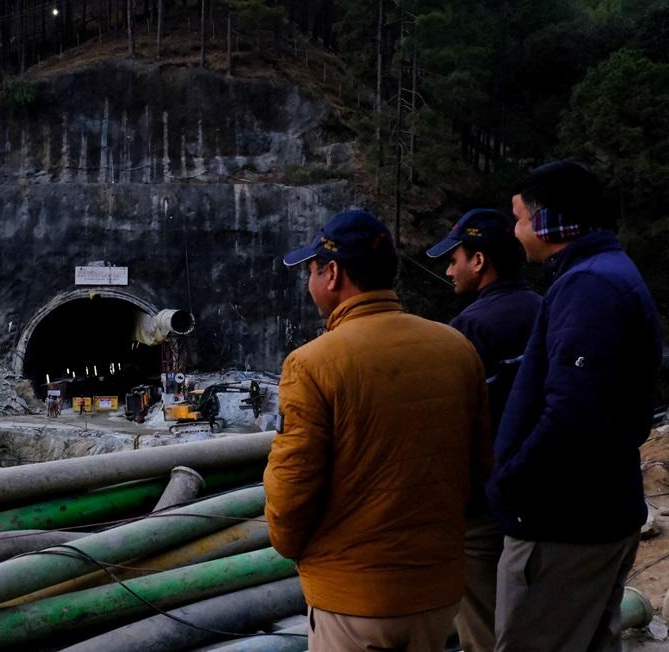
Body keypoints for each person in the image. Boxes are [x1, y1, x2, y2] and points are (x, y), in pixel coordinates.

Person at [264, 209, 491, 652]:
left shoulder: (311, 364)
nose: (310, 283)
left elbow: (292, 487)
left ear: (332, 274)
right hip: (437, 592)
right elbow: (479, 465)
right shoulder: (455, 348)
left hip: (354, 599)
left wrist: (290, 546)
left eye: (311, 271)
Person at [488, 161, 662, 652]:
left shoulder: (590, 286)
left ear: (547, 222)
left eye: (520, 217)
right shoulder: (599, 275)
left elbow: (573, 413)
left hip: (564, 525)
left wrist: (510, 480)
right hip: (593, 511)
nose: (515, 230)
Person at [425, 208, 542, 652]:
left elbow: (449, 421)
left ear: (479, 261)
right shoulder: (542, 309)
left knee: (482, 627)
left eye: (454, 257)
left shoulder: (471, 328)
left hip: (481, 506)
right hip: (533, 494)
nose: (448, 268)